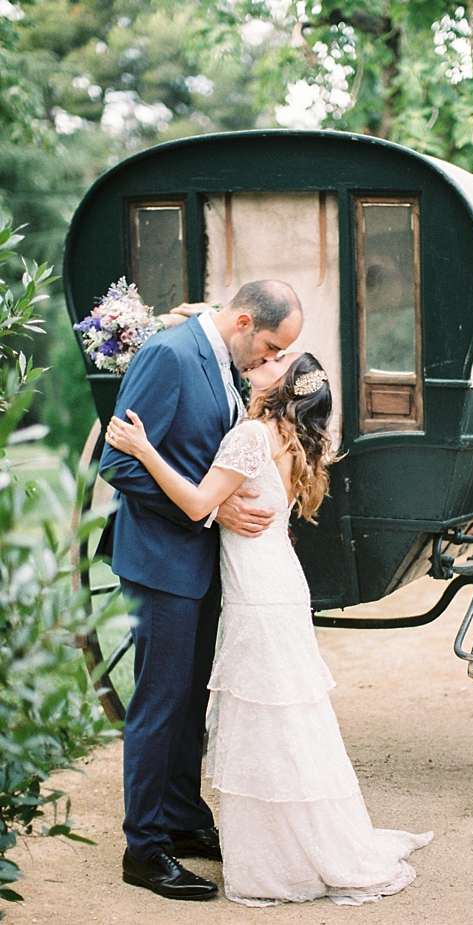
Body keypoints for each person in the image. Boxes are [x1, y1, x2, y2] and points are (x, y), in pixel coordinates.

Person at [105, 350, 433, 906]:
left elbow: (194, 505)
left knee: (266, 717)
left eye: (274, 362)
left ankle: (282, 851)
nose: (262, 360)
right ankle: (292, 838)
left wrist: (144, 449)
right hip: (279, 583)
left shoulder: (252, 435)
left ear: (280, 386)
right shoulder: (288, 437)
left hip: (258, 594)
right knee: (288, 716)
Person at [98, 280, 303, 902]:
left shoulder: (217, 357)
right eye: (267, 348)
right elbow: (120, 462)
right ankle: (145, 847)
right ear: (242, 320)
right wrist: (210, 512)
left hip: (197, 564)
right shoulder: (170, 355)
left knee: (190, 700)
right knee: (160, 703)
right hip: (161, 562)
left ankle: (182, 819)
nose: (268, 364)